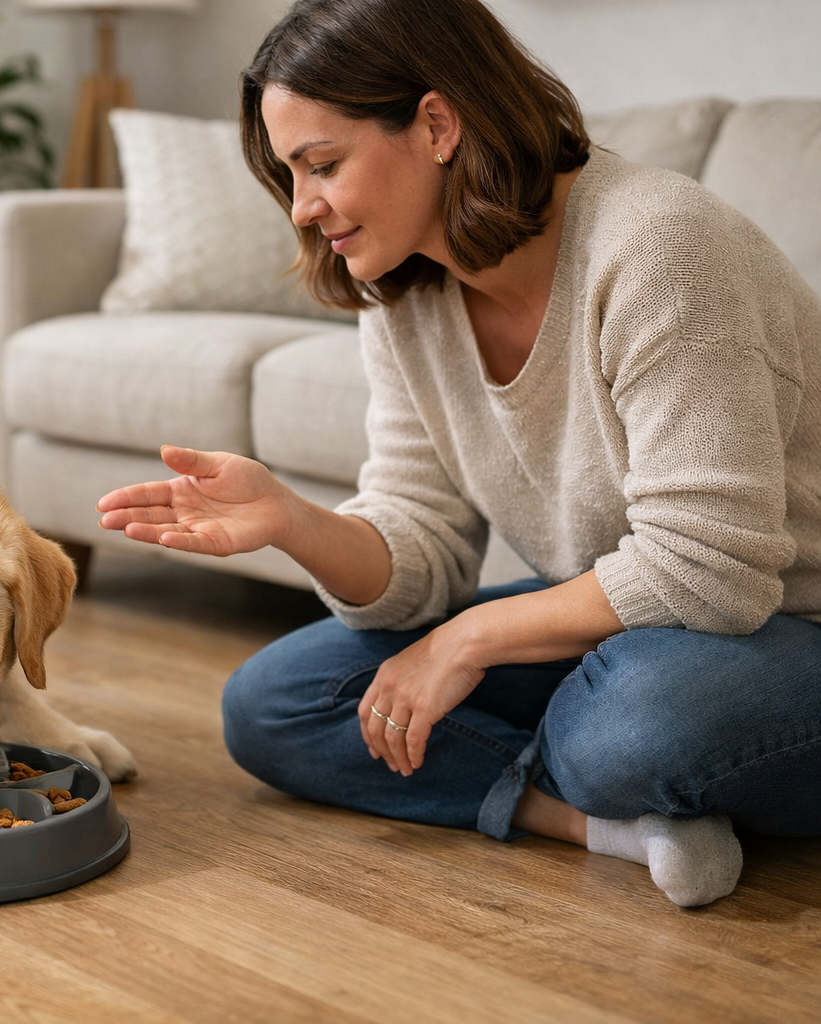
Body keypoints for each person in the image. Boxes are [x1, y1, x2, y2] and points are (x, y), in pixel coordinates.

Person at [95, 0, 821, 908]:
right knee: (277, 701)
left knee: (631, 722)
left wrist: (466, 641)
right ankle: (602, 824)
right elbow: (424, 552)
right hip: (640, 625)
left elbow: (714, 572)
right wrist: (294, 522)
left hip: (781, 628)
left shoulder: (659, 247)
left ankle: (597, 779)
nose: (303, 206)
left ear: (437, 124)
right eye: (291, 175)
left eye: (322, 165)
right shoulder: (408, 297)